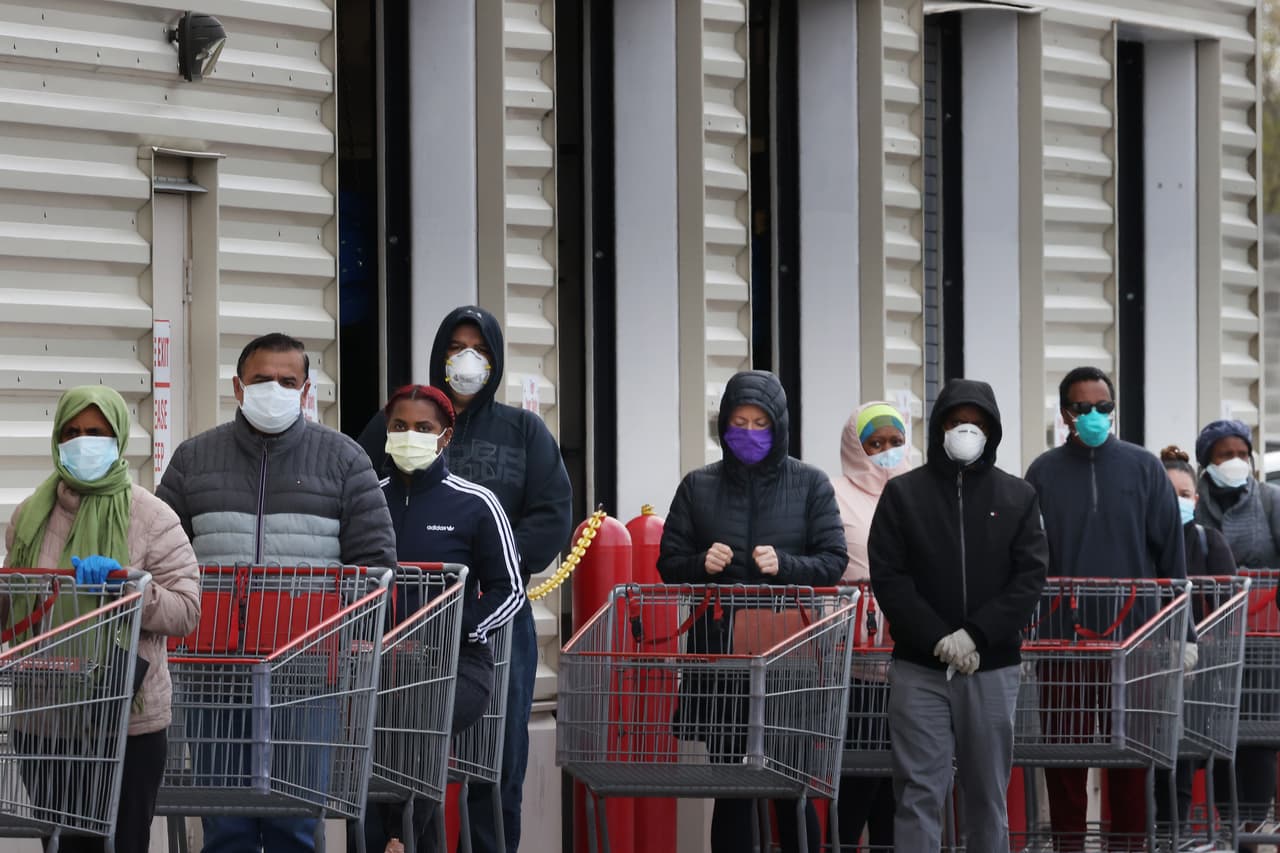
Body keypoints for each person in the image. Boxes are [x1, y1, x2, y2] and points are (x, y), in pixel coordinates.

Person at [158, 332, 398, 853]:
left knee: (296, 820)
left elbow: (374, 563)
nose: (274, 389)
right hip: (212, 671)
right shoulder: (193, 460)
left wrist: (351, 644)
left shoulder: (344, 460)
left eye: (287, 381)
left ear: (306, 389)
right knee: (225, 823)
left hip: (307, 671)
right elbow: (161, 554)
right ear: (238, 388)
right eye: (262, 379)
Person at [356, 306, 572, 853]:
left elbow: (552, 513)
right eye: (454, 346)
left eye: (477, 347)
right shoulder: (395, 420)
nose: (466, 358)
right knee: (399, 748)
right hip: (398, 634)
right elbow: (357, 499)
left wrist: (484, 569)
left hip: (490, 624)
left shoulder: (524, 432)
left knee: (496, 758)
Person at [3, 386, 201, 853]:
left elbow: (186, 610)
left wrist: (129, 586)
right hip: (45, 720)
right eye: (71, 432)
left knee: (121, 844)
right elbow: (14, 607)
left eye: (96, 432)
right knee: (64, 846)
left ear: (117, 438)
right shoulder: (31, 514)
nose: (82, 441)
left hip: (126, 721)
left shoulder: (151, 515)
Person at [657, 369, 847, 853]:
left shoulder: (810, 484)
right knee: (733, 789)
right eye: (738, 421)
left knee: (790, 787)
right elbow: (668, 564)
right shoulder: (698, 486)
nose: (747, 432)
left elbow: (833, 561)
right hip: (721, 663)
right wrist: (701, 563)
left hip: (791, 663)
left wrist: (785, 564)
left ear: (778, 426)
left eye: (759, 423)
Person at [868, 378, 1048, 853]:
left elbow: (1029, 578)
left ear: (992, 431)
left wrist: (976, 635)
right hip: (919, 668)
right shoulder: (903, 495)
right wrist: (937, 637)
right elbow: (889, 577)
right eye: (956, 421)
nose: (966, 430)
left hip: (992, 668)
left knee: (987, 795)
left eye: (977, 423)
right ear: (939, 427)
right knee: (919, 791)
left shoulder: (1018, 496)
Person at [1024, 366, 1191, 852]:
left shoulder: (1144, 469)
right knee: (1065, 761)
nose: (1094, 415)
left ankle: (1129, 848)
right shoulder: (1042, 473)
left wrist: (1184, 635)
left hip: (1135, 644)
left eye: (1103, 407)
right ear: (1065, 414)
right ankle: (1069, 847)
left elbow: (1171, 555)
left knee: (1131, 761)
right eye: (1083, 407)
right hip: (1062, 644)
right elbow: (1028, 556)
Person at [359, 384, 525, 853]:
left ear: (445, 437)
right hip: (381, 668)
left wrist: (457, 630)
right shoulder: (367, 499)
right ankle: (398, 837)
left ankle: (397, 835)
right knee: (373, 746)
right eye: (400, 427)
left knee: (422, 720)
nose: (410, 435)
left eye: (423, 428)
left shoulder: (476, 503)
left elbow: (509, 589)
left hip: (457, 667)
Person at [829, 402, 912, 850]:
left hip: (913, 664)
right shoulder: (834, 493)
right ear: (855, 447)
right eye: (875, 444)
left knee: (897, 792)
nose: (886, 452)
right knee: (856, 783)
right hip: (857, 667)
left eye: (895, 443)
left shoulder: (920, 491)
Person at [1193, 419, 1280, 843]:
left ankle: (1253, 829)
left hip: (1263, 642)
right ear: (1206, 460)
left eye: (1242, 455)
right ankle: (1229, 829)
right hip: (1211, 641)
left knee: (1258, 737)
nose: (1235, 463)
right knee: (1217, 735)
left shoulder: (1269, 501)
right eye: (1225, 455)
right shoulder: (1193, 506)